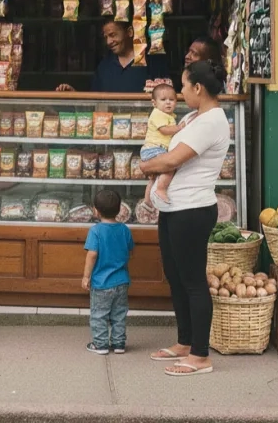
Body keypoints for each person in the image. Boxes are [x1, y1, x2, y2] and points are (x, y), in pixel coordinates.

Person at [139, 60, 230, 377]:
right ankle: (184, 342)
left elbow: (173, 159)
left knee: (193, 282)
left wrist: (145, 167)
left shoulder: (211, 122)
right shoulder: (193, 117)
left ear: (198, 88)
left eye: (183, 86)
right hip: (174, 209)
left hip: (192, 210)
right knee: (176, 277)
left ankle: (200, 355)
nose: (180, 92)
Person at [82, 190, 134, 355]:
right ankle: (119, 344)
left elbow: (92, 255)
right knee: (119, 314)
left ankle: (101, 344)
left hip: (101, 283)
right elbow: (130, 251)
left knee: (99, 315)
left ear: (96, 211)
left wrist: (86, 276)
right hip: (122, 281)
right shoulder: (124, 229)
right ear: (119, 210)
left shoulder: (95, 231)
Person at [56, 20, 169, 93]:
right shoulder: (105, 66)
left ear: (129, 32)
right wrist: (74, 95)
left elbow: (167, 98)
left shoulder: (153, 62)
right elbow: (94, 100)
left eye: (112, 35)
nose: (109, 42)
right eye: (106, 37)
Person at [141, 83, 183, 204]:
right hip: (154, 149)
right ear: (154, 103)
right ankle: (161, 189)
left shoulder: (167, 115)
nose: (168, 102)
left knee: (154, 178)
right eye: (163, 100)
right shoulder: (158, 114)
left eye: (172, 99)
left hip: (154, 149)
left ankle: (147, 201)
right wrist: (179, 128)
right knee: (169, 167)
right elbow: (164, 130)